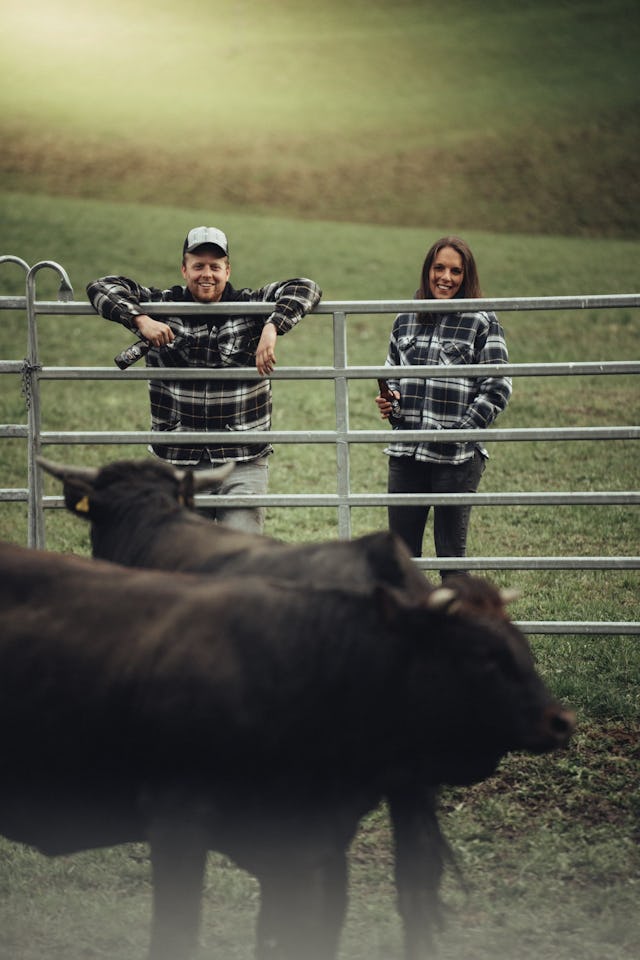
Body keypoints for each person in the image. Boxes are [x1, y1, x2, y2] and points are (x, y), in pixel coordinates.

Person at [87, 225, 322, 534]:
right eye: (198, 266)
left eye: (215, 266)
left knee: (239, 553)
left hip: (242, 459)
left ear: (228, 270)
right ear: (185, 270)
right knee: (184, 555)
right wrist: (141, 320)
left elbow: (306, 287)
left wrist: (272, 325)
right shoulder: (162, 306)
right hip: (178, 461)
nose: (206, 274)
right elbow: (101, 286)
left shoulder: (250, 307)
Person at [375, 235, 512, 578]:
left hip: (457, 457)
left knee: (451, 559)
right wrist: (392, 401)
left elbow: (498, 385)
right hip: (408, 451)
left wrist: (461, 432)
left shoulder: (482, 320)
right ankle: (410, 630)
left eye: (455, 271)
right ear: (427, 270)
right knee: (402, 561)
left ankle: (451, 630)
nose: (445, 278)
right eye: (439, 268)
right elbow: (392, 372)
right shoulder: (406, 317)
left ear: (467, 277)